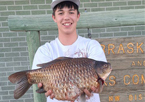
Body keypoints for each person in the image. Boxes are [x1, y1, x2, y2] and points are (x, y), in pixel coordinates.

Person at [32, 0, 107, 102]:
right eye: (61, 13)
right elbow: (41, 84)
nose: (66, 17)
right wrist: (43, 86)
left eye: (71, 12)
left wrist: (99, 87)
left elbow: (100, 81)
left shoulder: (92, 46)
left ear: (78, 16)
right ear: (54, 17)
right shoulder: (45, 51)